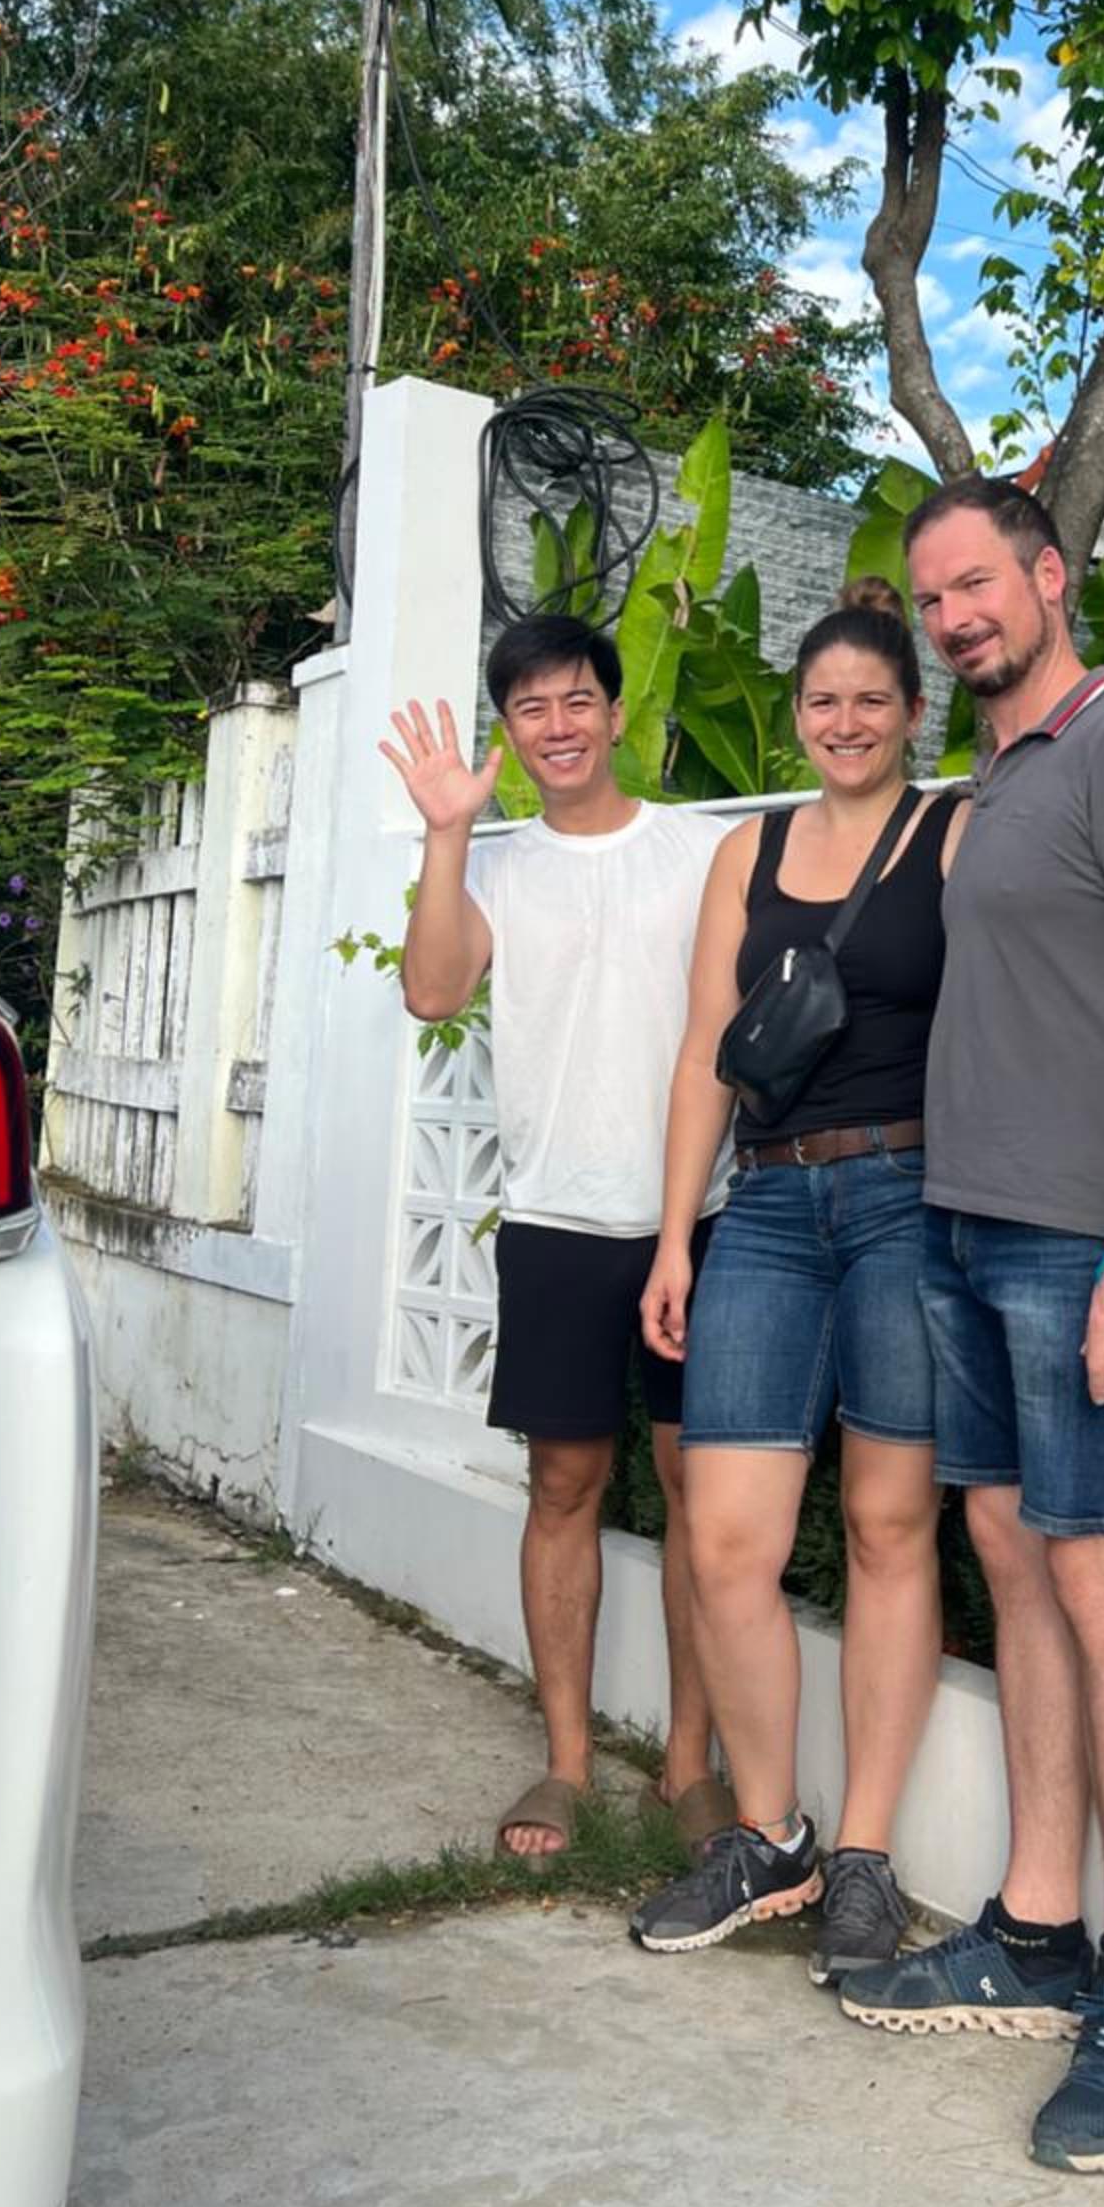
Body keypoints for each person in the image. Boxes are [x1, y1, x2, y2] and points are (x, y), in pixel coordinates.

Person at [838, 477, 1104, 2180]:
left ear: (1049, 577)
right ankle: (1036, 1926)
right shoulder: (995, 775)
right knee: (1014, 1558)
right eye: (931, 597)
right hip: (965, 1223)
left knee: (1099, 1571)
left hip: (1080, 1241)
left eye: (975, 585)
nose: (953, 617)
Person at [627, 582, 968, 1987]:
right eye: (823, 700)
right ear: (796, 715)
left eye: (871, 700)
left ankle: (866, 1856)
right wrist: (675, 1238)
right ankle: (771, 1837)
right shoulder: (747, 852)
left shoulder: (952, 834)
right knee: (725, 1541)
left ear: (911, 714)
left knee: (889, 1527)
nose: (846, 721)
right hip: (765, 1206)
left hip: (906, 1197)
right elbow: (706, 1050)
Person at [381, 615, 732, 1864]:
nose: (559, 726)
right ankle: (569, 1763)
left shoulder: (704, 851)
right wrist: (446, 833)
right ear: (511, 733)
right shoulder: (497, 869)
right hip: (553, 1222)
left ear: (616, 714)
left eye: (578, 701)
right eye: (532, 709)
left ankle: (689, 1768)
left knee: (702, 1498)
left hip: (699, 1218)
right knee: (563, 1488)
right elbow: (433, 991)